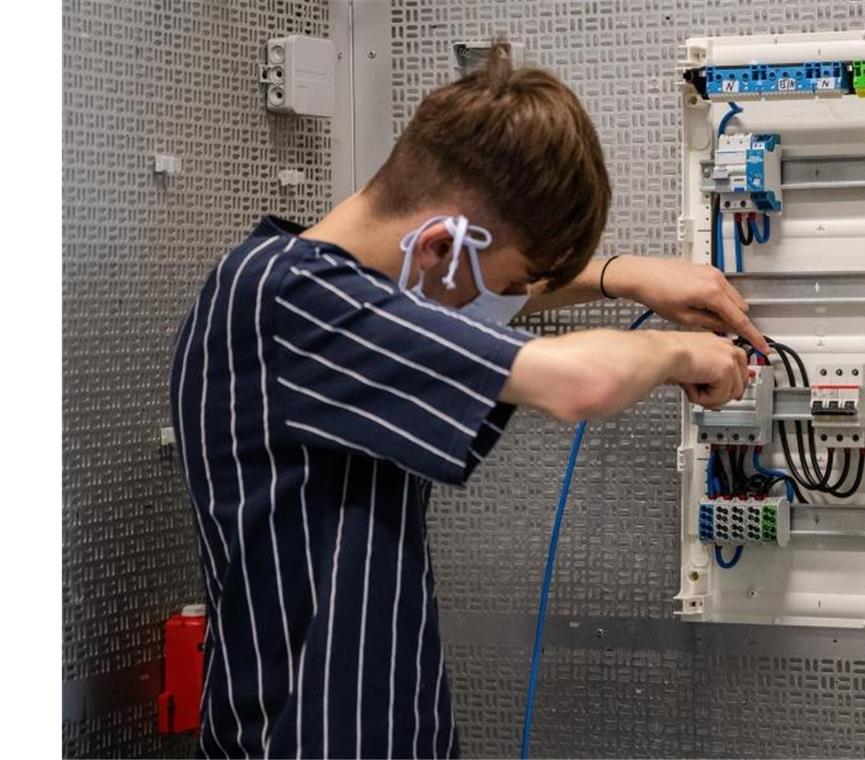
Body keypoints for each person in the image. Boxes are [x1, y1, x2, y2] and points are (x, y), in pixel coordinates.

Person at [170, 43, 766, 759]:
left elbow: (465, 287)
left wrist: (624, 276)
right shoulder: (286, 300)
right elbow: (581, 383)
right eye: (503, 285)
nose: (502, 306)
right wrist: (682, 353)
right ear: (437, 246)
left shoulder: (322, 295)